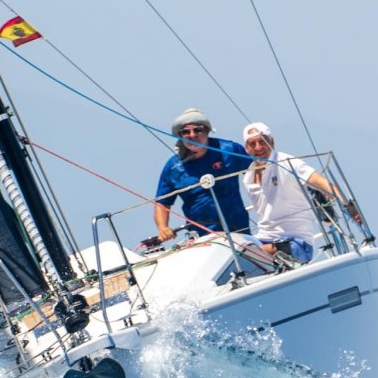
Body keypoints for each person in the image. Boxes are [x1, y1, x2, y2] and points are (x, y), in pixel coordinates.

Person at [239, 122, 361, 263]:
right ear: (246, 149)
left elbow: (321, 181)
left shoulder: (287, 163)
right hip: (263, 239)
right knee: (229, 245)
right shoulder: (248, 176)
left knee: (246, 252)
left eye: (262, 141)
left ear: (272, 142)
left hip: (296, 243)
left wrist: (348, 205)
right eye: (252, 144)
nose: (258, 147)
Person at [153, 108, 251, 241]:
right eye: (185, 132)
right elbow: (162, 203)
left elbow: (257, 175)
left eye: (198, 129)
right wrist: (163, 228)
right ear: (180, 136)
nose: (192, 135)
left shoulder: (229, 150)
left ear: (207, 130)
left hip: (239, 230)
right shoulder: (173, 167)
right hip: (201, 236)